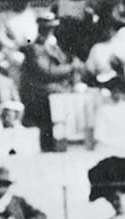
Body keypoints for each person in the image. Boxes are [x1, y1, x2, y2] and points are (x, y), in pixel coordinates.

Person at [19, 11, 80, 151]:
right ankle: (50, 145)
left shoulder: (53, 47)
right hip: (40, 93)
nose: (48, 30)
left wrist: (72, 68)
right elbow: (46, 72)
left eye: (51, 27)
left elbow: (64, 63)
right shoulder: (34, 48)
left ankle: (66, 143)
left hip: (56, 89)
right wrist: (71, 67)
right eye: (46, 27)